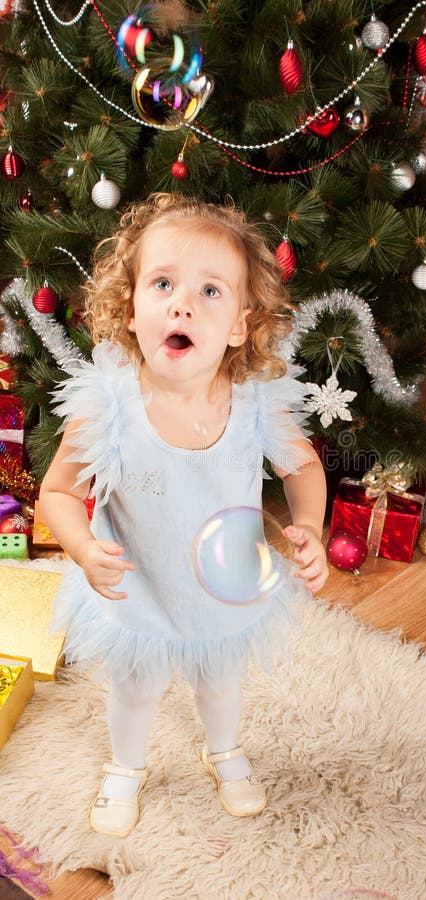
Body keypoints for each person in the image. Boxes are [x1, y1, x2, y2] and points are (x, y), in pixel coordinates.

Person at [39, 192, 329, 839]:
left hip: (223, 583)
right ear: (131, 306)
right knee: (136, 688)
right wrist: (84, 548)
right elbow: (56, 494)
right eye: (163, 283)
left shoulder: (253, 402)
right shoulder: (108, 407)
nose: (182, 304)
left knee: (220, 682)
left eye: (210, 291)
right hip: (140, 583)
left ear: (237, 325)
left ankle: (222, 748)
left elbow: (303, 466)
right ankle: (126, 765)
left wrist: (308, 525)